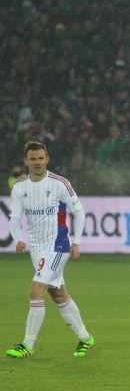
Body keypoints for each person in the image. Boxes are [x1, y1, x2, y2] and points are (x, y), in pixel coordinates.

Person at [6, 141, 94, 358]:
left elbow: (79, 213)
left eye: (41, 158)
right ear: (25, 161)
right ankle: (86, 338)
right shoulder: (19, 188)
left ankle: (27, 345)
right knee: (59, 295)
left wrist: (76, 242)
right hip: (37, 249)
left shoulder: (60, 183)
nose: (37, 162)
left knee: (36, 291)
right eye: (33, 159)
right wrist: (18, 239)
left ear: (47, 159)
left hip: (58, 246)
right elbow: (15, 219)